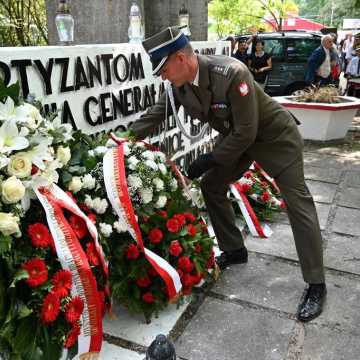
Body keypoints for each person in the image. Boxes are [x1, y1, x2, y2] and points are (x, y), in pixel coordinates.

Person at [130, 26, 326, 322]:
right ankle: (234, 249)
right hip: (236, 140)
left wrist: (209, 158)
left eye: (163, 68)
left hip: (273, 138)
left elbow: (248, 131)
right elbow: (154, 117)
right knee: (212, 186)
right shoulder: (178, 87)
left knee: (299, 204)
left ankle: (316, 284)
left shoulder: (231, 73)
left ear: (181, 58)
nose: (162, 76)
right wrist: (119, 139)